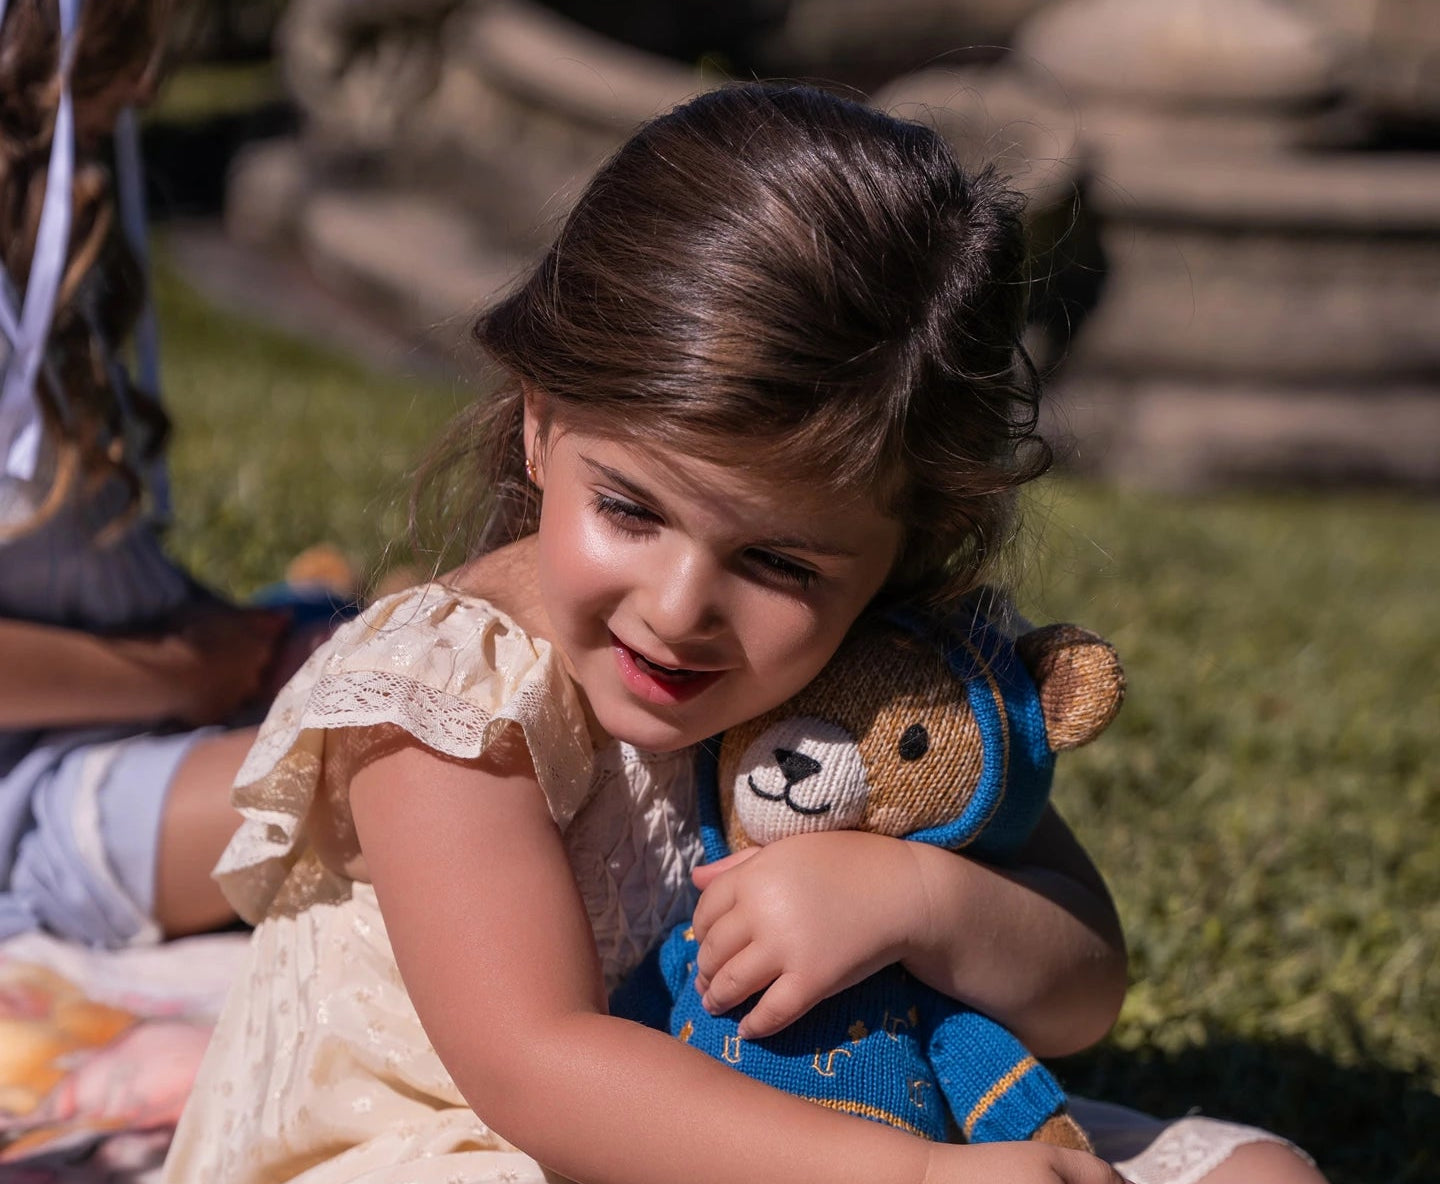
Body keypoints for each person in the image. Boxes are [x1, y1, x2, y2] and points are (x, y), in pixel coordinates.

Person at [163, 84, 1324, 1184]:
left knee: (1261, 1172)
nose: (677, 609)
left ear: (903, 549)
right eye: (629, 508)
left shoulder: (875, 679)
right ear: (540, 422)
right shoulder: (448, 697)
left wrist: (914, 898)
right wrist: (916, 1171)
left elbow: (1082, 990)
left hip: (825, 1115)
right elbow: (538, 1067)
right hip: (478, 1138)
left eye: (777, 562)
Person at [0, 0, 297, 950]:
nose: (144, 89)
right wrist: (182, 671)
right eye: (90, 122)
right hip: (34, 797)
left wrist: (224, 637)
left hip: (137, 700)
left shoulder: (42, 301)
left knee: (446, 655)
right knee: (389, 771)